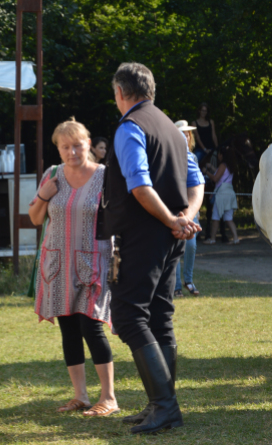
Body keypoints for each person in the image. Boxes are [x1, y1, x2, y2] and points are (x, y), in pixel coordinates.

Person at [97, 62, 204, 434]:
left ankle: (164, 405)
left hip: (144, 234)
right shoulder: (175, 132)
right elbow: (197, 181)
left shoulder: (131, 128)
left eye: (115, 95)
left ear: (122, 93)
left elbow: (140, 187)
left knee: (128, 315)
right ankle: (159, 403)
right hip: (171, 236)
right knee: (159, 315)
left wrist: (174, 221)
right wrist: (184, 218)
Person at [28, 118, 118, 417]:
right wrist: (44, 195)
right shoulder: (52, 175)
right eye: (65, 147)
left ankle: (109, 397)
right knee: (68, 328)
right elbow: (35, 218)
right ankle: (80, 395)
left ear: (88, 144)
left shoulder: (105, 176)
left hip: (94, 262)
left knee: (92, 326)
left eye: (77, 145)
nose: (72, 152)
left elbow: (120, 217)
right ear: (58, 148)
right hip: (58, 263)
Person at [173, 121, 200, 298]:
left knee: (190, 245)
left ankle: (188, 280)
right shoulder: (170, 156)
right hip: (174, 209)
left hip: (191, 210)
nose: (186, 135)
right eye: (182, 132)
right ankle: (175, 286)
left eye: (188, 133)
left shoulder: (194, 157)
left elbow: (197, 185)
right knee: (176, 247)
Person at [203, 145, 239, 245]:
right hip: (229, 192)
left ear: (221, 155)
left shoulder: (223, 165)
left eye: (219, 153)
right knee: (228, 218)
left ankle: (212, 239)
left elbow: (215, 178)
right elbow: (221, 175)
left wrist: (206, 172)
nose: (218, 155)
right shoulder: (229, 165)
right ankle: (236, 238)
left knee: (215, 217)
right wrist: (212, 168)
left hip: (222, 193)